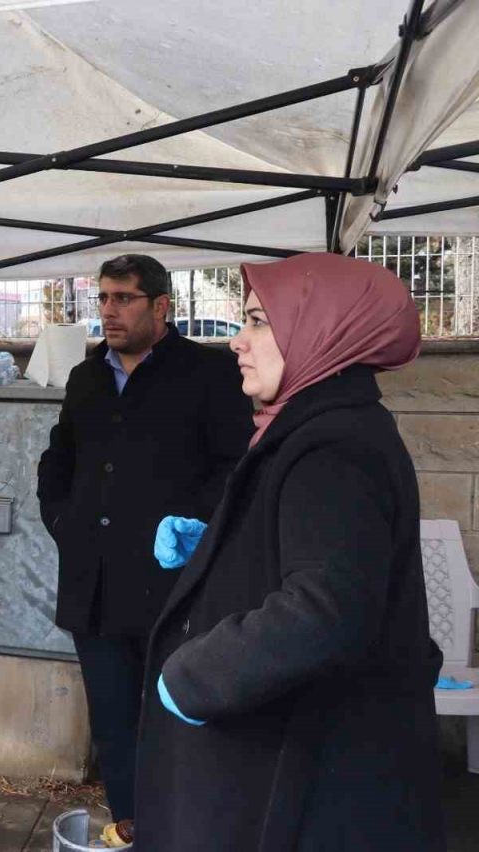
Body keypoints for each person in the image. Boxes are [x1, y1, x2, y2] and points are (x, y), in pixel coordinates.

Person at [135, 253, 445, 851]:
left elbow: (328, 607)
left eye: (256, 320)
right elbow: (320, 555)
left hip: (321, 771)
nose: (237, 341)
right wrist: (224, 549)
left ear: (318, 329)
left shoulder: (332, 447)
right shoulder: (322, 426)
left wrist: (197, 675)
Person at [36, 254, 255, 825]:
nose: (108, 310)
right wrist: (62, 523)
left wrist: (191, 530)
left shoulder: (209, 375)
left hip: (171, 589)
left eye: (123, 298)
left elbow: (235, 467)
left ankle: (184, 827)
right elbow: (59, 460)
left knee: (178, 715)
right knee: (112, 722)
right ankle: (130, 824)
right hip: (94, 589)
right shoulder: (87, 377)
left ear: (160, 306)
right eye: (103, 298)